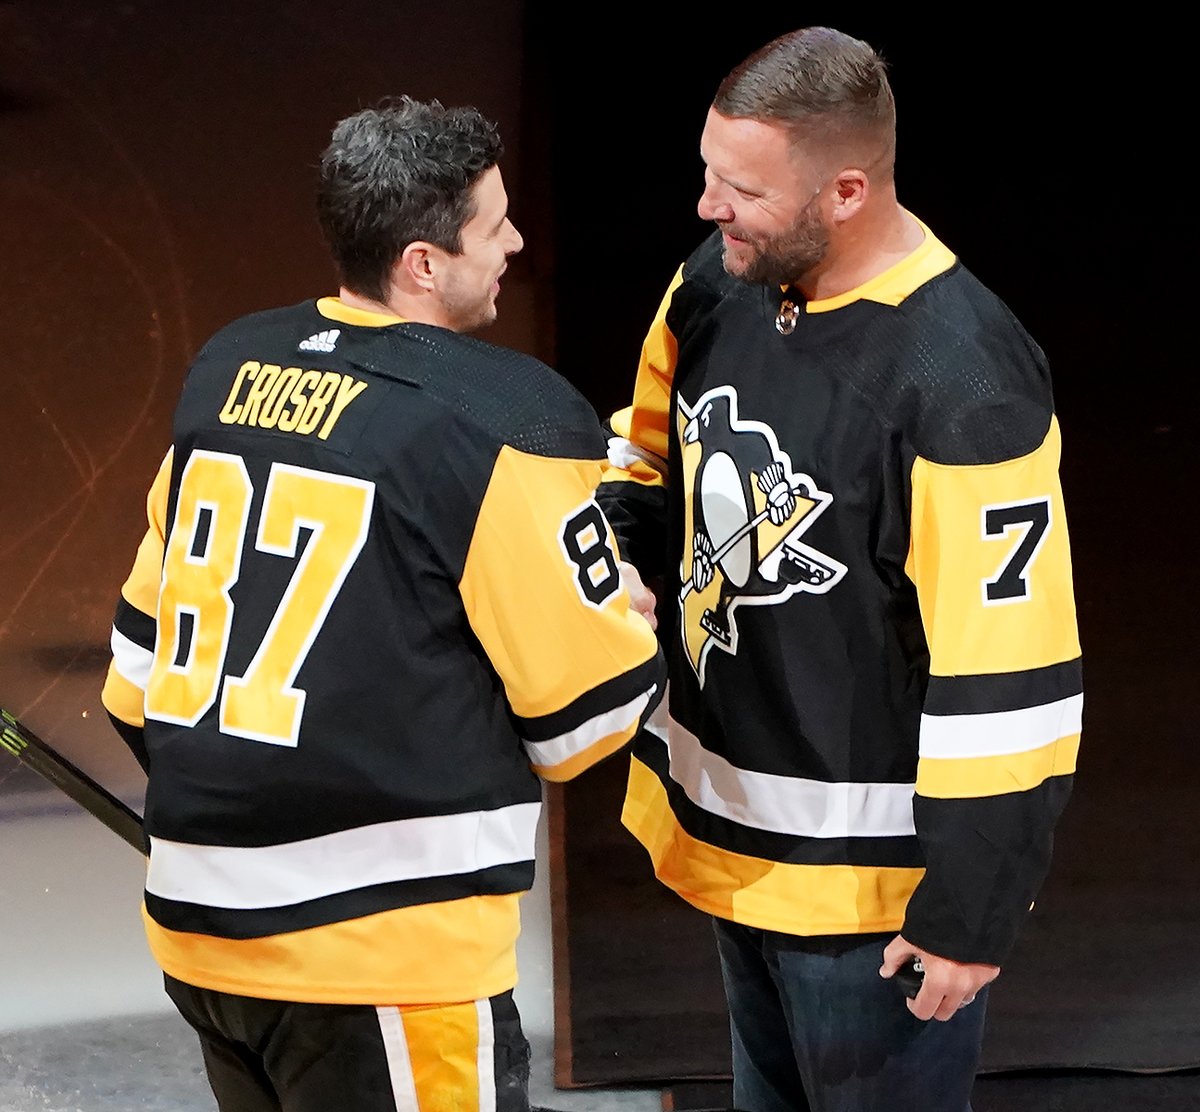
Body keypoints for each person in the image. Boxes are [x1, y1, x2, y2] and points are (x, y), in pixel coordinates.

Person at [100, 95, 666, 1112]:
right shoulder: (505, 415)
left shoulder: (227, 367)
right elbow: (587, 721)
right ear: (423, 261)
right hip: (385, 963)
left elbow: (136, 684)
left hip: (201, 938)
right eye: (495, 223)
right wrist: (625, 612)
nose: (517, 241)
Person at [599, 27, 1082, 1112]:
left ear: (848, 190)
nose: (707, 208)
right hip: (733, 843)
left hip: (871, 902)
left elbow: (1013, 674)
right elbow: (642, 454)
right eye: (709, 173)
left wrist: (970, 909)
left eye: (742, 189)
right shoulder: (715, 285)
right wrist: (619, 565)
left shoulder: (962, 380)